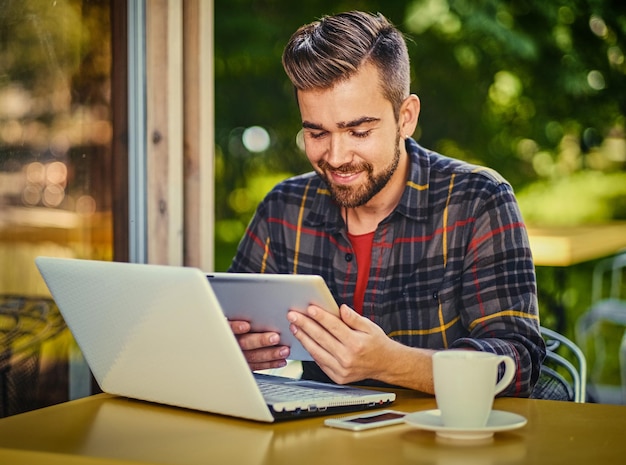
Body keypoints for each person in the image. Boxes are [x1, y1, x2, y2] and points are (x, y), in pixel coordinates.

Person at [228, 10, 545, 396]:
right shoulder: (283, 209)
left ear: (406, 117)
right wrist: (235, 349)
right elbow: (225, 328)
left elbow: (517, 363)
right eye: (316, 133)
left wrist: (390, 363)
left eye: (359, 131)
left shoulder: (478, 200)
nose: (337, 156)